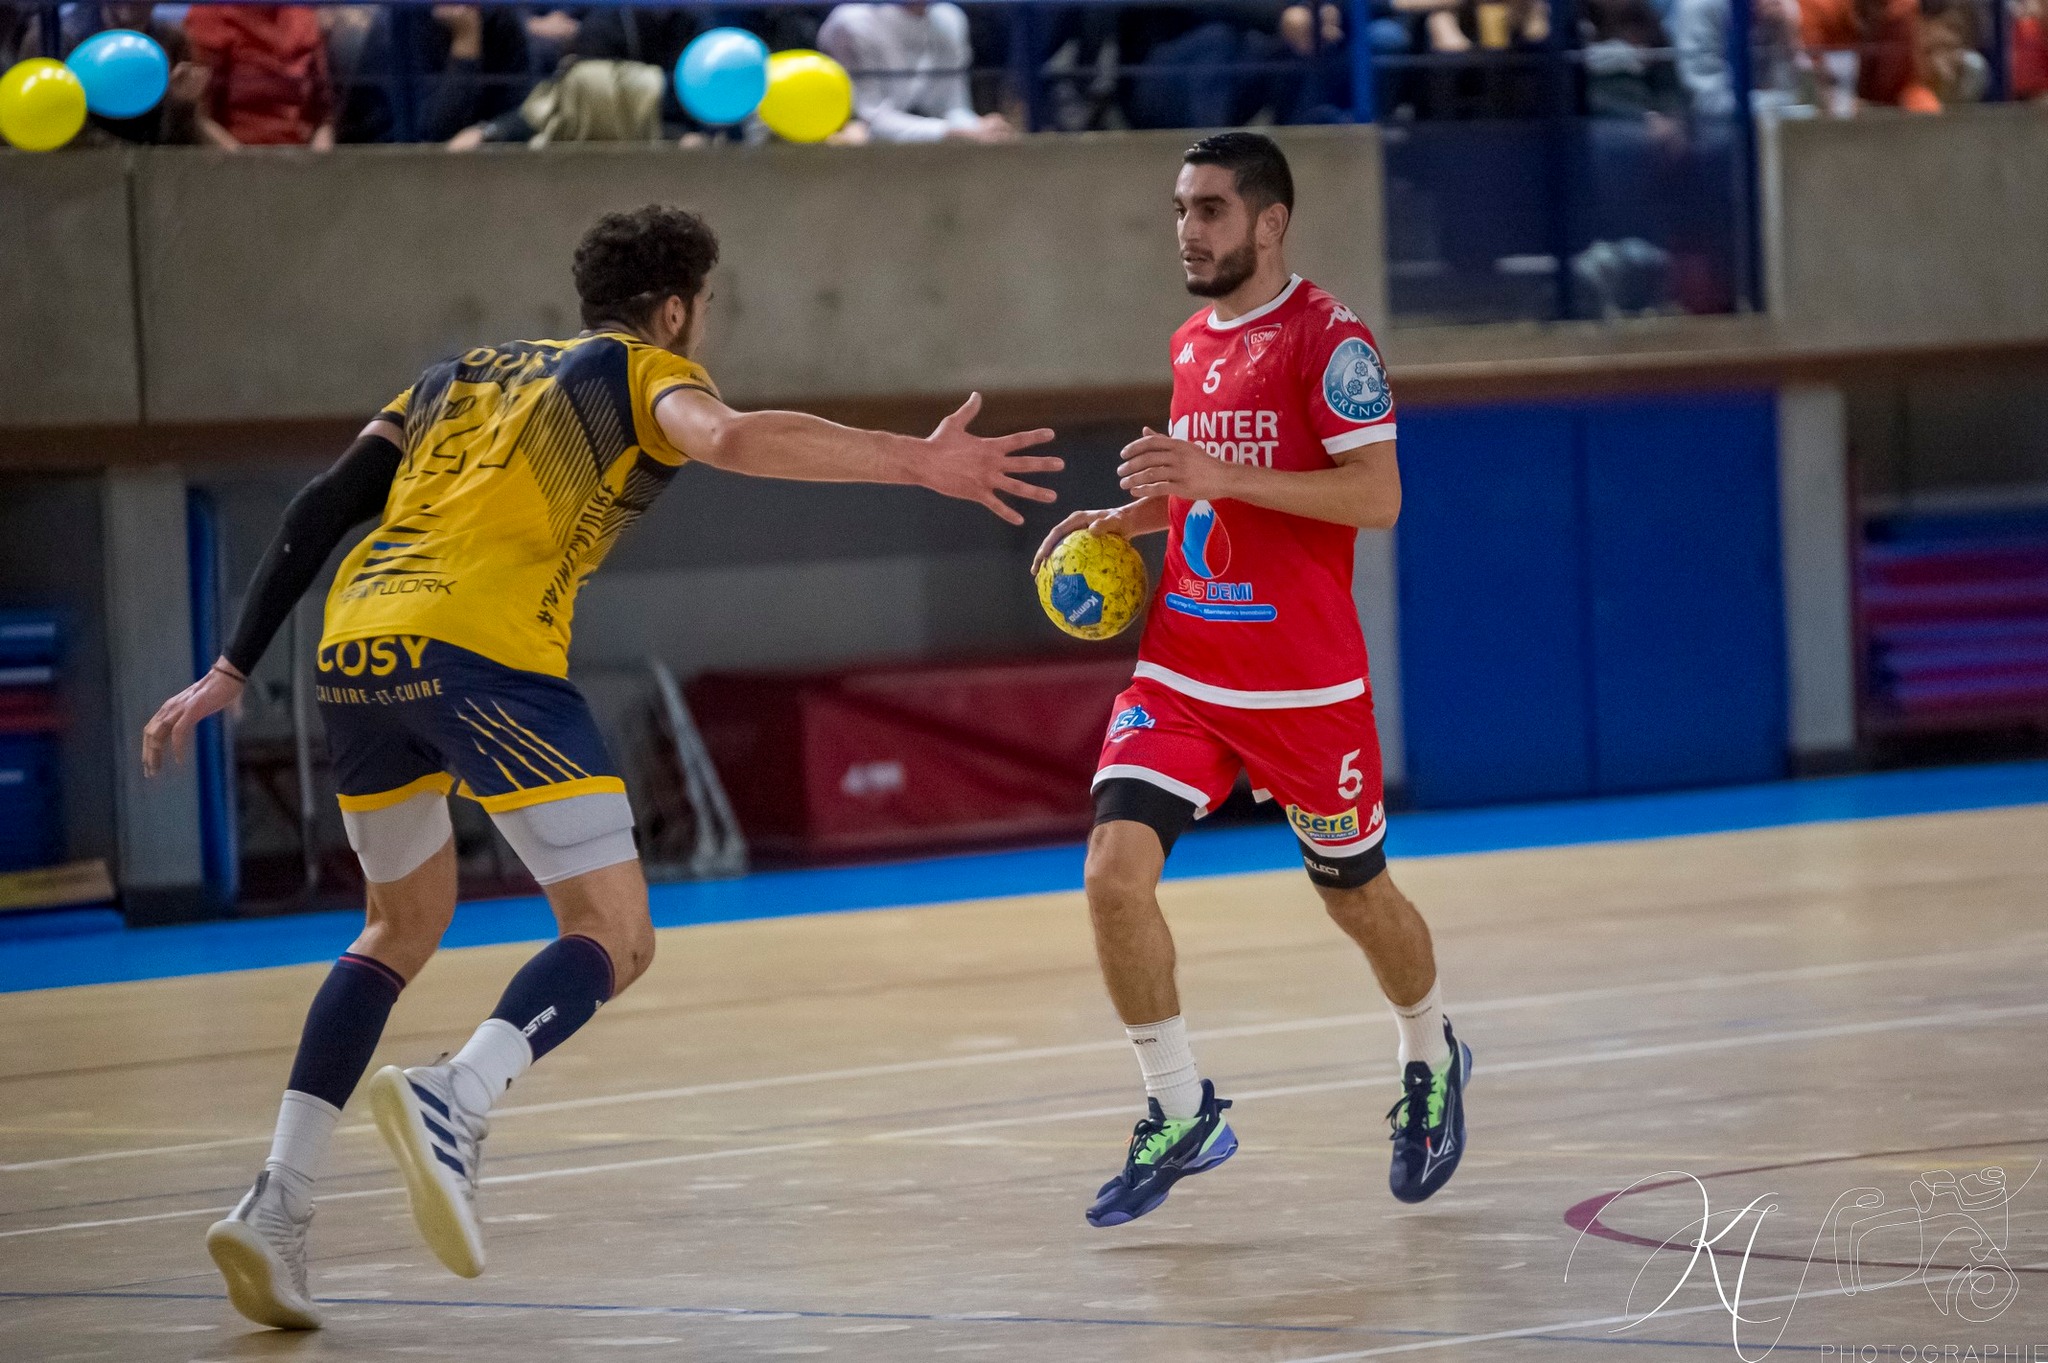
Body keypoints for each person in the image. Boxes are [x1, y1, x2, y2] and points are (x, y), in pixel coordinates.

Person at [142, 205, 1061, 1330]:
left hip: (356, 644)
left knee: (396, 923)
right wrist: (913, 462)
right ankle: (457, 1094)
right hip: (482, 652)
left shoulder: (454, 375)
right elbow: (726, 438)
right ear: (676, 306)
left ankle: (277, 1202)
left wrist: (233, 666)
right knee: (615, 932)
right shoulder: (639, 369)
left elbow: (323, 507)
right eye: (704, 310)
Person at [1030, 133, 1471, 1229]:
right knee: (1109, 875)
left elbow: (1375, 498)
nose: (1188, 228)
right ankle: (1178, 1107)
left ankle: (1431, 1052)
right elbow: (1212, 494)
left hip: (1302, 689)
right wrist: (1133, 517)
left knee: (1355, 898)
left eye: (1211, 210)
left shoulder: (1331, 343)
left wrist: (1215, 472)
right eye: (1181, 208)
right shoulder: (1189, 341)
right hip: (1182, 668)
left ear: (1269, 224)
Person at [817, 2, 1013, 142]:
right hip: (853, 145)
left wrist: (979, 127)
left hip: (926, 155)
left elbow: (953, 108)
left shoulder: (950, 18)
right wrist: (954, 132)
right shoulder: (851, 21)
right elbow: (869, 120)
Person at [183, 3, 337, 148]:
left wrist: (318, 166)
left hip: (299, 160)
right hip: (229, 160)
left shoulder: (303, 13)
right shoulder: (210, 12)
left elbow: (324, 119)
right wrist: (247, 164)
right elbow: (199, 119)